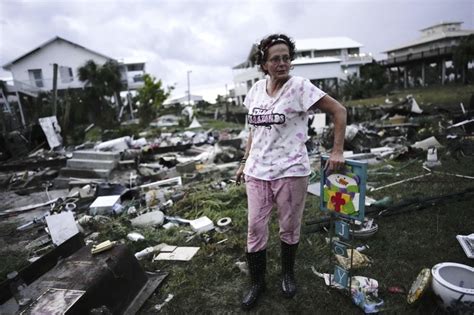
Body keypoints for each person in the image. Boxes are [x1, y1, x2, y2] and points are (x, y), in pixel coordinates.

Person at [235, 33, 347, 310]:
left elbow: (339, 111)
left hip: (291, 170)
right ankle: (257, 282)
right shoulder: (255, 91)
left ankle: (287, 274)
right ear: (264, 63)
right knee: (255, 228)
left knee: (289, 227)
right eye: (275, 59)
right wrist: (244, 161)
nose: (282, 63)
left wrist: (337, 151)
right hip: (257, 171)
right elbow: (253, 130)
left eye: (286, 58)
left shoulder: (300, 87)